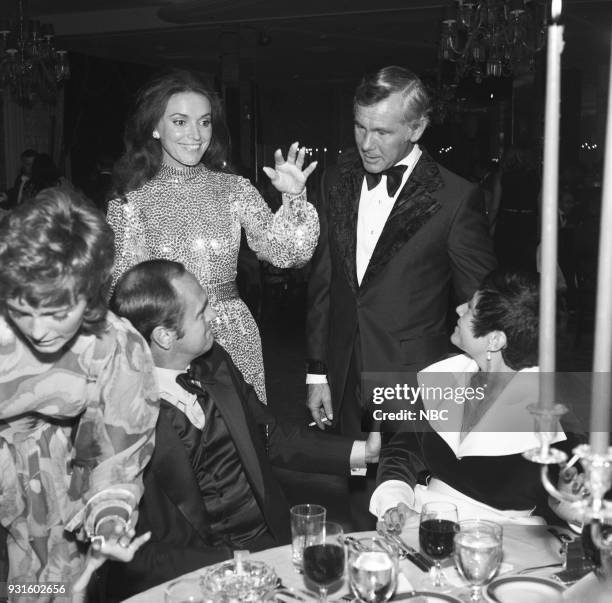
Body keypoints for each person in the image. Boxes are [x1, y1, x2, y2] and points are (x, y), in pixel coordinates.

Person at [105, 259, 380, 598]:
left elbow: (272, 436)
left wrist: (361, 452)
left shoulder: (214, 362)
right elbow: (139, 554)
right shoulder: (121, 422)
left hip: (270, 544)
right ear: (164, 336)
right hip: (193, 578)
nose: (214, 317)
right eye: (201, 312)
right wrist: (233, 562)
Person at [305, 65, 496, 528]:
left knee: (408, 505)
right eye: (359, 127)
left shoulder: (455, 197)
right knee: (355, 494)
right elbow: (324, 279)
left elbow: (482, 303)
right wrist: (316, 371)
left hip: (417, 379)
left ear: (417, 128)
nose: (366, 144)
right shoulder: (337, 180)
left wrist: (490, 387)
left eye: (382, 131)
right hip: (345, 367)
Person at [107, 68, 319, 404]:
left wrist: (294, 198)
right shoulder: (132, 202)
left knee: (244, 442)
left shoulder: (234, 190)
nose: (195, 134)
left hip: (234, 334)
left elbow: (288, 253)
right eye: (180, 121)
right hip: (169, 341)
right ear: (155, 128)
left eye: (204, 122)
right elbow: (124, 295)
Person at [0, 188, 158, 596]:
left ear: (88, 295)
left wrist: (110, 527)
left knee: (48, 590)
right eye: (22, 310)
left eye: (56, 314)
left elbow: (119, 458)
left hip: (62, 477)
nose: (37, 331)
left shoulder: (115, 348)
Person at [370, 270, 585, 527]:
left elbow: (569, 508)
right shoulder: (447, 375)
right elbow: (402, 452)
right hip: (417, 522)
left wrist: (569, 504)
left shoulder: (550, 417)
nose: (459, 309)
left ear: (495, 339)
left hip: (502, 546)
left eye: (471, 308)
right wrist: (394, 503)